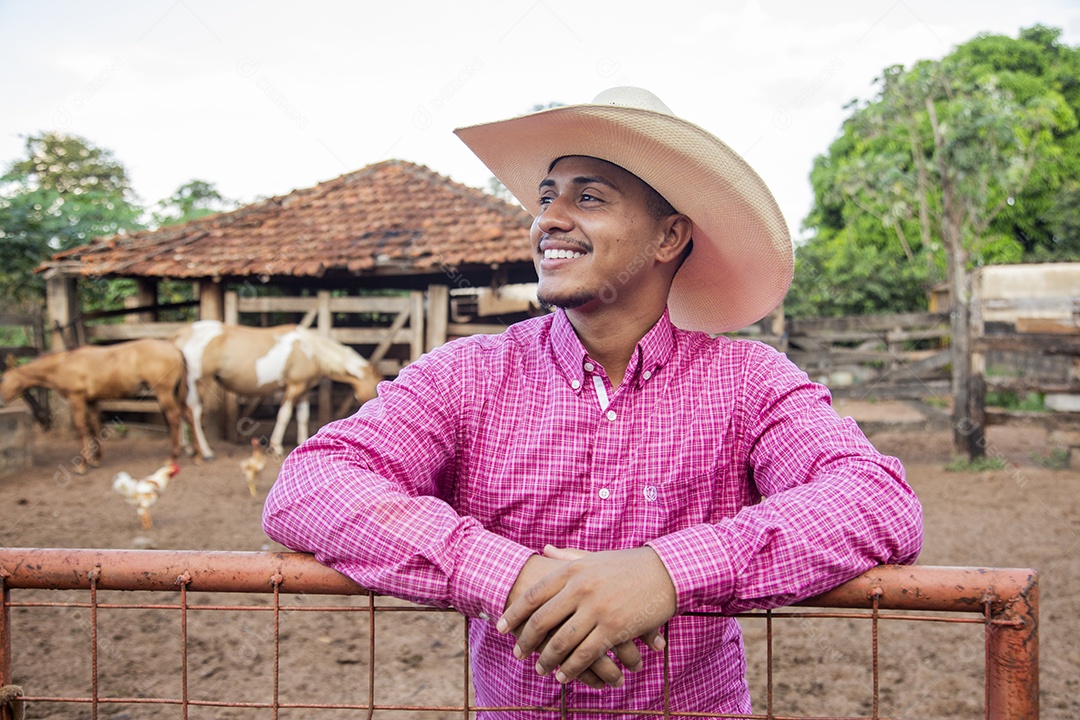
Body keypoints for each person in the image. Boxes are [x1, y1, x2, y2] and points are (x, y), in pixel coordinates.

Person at [262, 87, 923, 717]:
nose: (548, 218)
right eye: (546, 197)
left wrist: (665, 574)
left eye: (589, 197)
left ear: (668, 237)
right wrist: (504, 574)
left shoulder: (748, 382)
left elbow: (877, 499)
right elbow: (311, 485)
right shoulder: (467, 376)